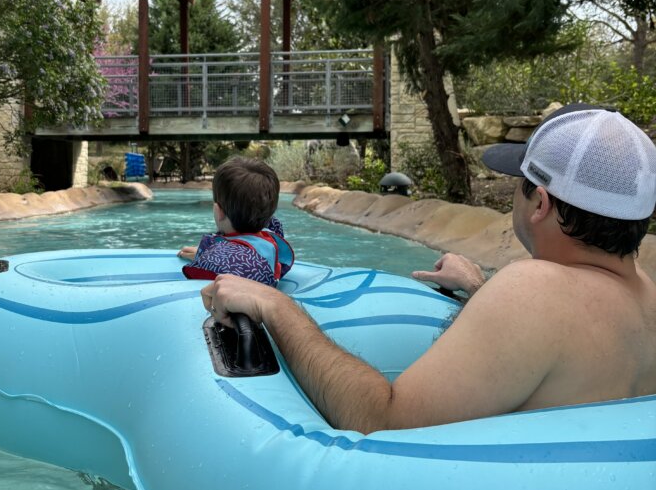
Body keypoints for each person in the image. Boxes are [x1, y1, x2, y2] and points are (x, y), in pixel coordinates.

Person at [202, 105, 656, 432]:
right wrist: (481, 291)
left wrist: (276, 306)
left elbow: (380, 420)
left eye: (520, 182)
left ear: (541, 202)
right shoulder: (646, 297)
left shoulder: (534, 292)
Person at [178, 156, 294, 287]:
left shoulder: (227, 261)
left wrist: (209, 259)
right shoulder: (271, 236)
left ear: (218, 210)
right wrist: (206, 253)